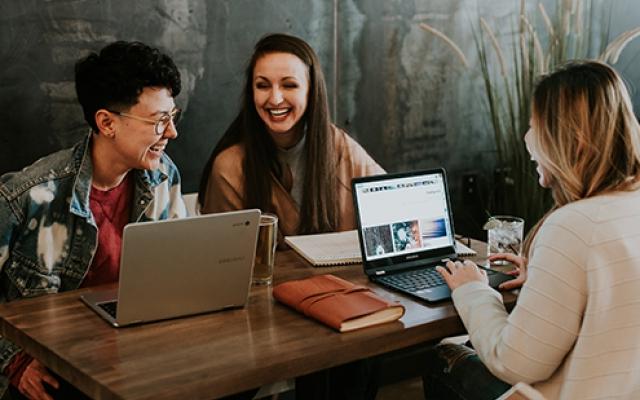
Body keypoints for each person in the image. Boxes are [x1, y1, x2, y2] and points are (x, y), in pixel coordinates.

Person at [422, 61, 640, 399]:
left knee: (445, 356)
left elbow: (516, 364)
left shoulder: (573, 226)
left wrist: (473, 291)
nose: (527, 139)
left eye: (534, 126)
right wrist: (544, 277)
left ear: (573, 141)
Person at [0, 41, 186, 400]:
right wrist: (14, 361)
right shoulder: (28, 195)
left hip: (136, 358)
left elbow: (180, 273)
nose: (171, 133)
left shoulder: (164, 176)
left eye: (172, 116)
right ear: (106, 123)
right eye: (159, 120)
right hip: (56, 370)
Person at [197, 33, 384, 236]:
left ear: (311, 91)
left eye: (289, 85)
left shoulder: (341, 148)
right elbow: (226, 258)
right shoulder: (229, 167)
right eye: (263, 85)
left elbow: (393, 209)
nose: (275, 99)